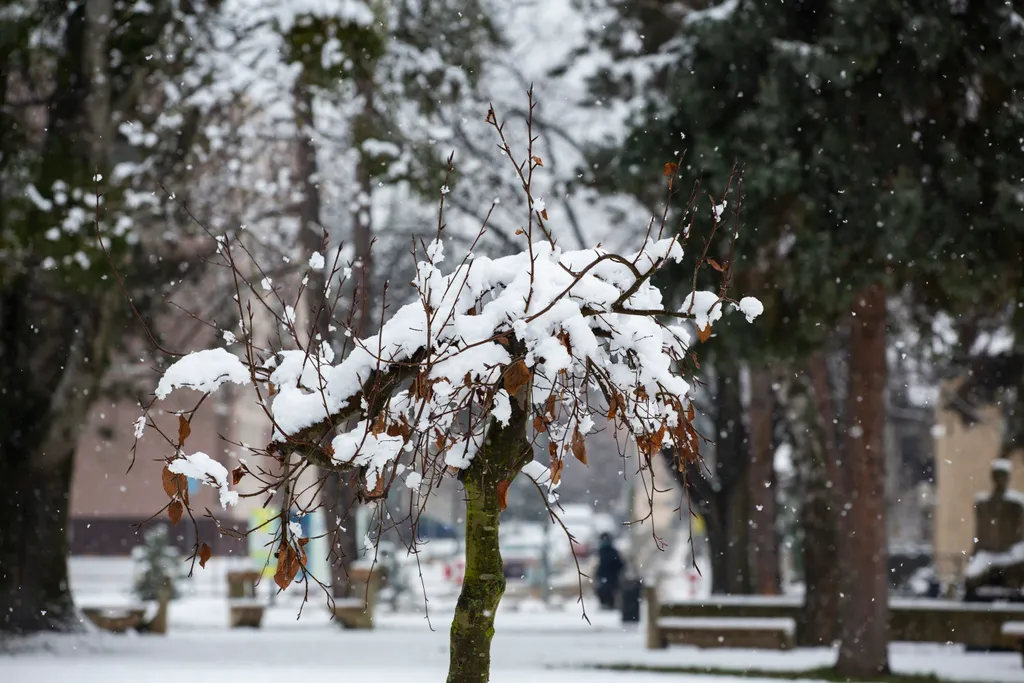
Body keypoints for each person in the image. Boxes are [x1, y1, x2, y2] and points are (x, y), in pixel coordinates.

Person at [595, 532, 624, 610]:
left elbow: (619, 564)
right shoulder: (602, 551)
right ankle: (606, 603)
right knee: (605, 591)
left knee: (607, 590)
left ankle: (607, 604)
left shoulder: (605, 551)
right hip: (608, 575)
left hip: (609, 575)